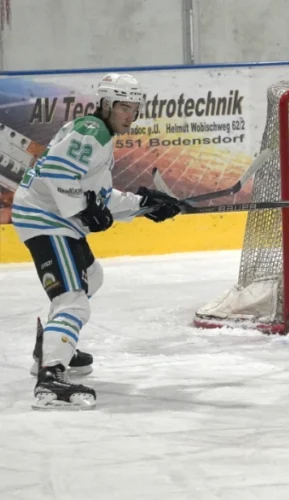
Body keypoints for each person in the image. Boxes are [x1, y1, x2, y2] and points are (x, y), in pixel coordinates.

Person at [12, 73, 181, 410]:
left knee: (92, 275)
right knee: (73, 300)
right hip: (48, 222)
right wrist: (83, 211)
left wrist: (143, 206)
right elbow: (58, 173)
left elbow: (99, 196)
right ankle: (51, 376)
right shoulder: (93, 130)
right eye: (123, 107)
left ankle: (51, 344)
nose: (129, 115)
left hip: (53, 220)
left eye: (134, 108)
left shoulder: (96, 136)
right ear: (106, 105)